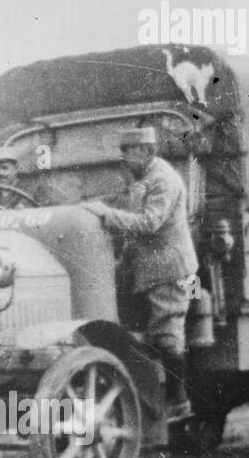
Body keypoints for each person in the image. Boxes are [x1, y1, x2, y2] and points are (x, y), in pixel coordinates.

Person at [80, 127, 199, 418]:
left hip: (169, 270)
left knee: (168, 336)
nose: (123, 158)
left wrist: (104, 214)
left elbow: (148, 223)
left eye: (128, 152)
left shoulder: (164, 180)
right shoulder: (143, 179)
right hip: (145, 268)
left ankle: (178, 401)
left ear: (146, 151)